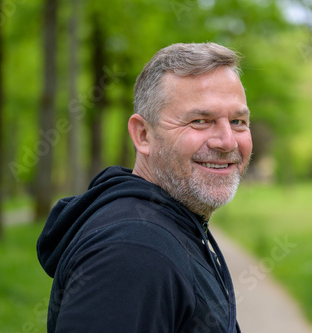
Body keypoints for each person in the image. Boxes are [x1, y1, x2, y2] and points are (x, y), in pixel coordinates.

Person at [37, 42, 252, 333]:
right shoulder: (131, 252)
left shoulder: (168, 225)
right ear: (143, 135)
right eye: (201, 121)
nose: (227, 141)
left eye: (238, 121)